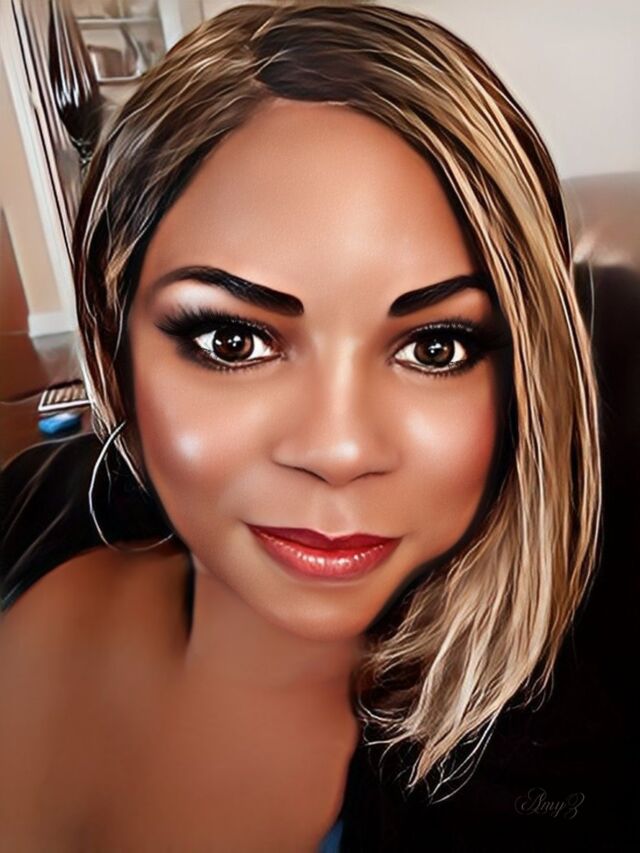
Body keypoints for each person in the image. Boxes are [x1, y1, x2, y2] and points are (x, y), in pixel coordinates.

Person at [0, 2, 606, 850]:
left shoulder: (577, 733)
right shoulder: (34, 508)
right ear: (113, 342)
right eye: (234, 341)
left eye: (435, 347)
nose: (339, 448)